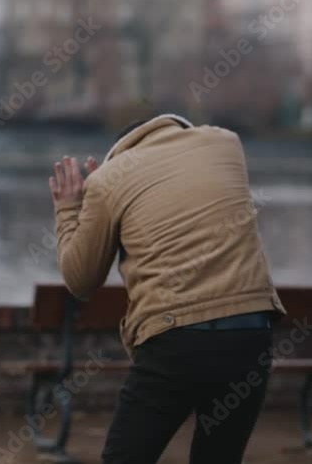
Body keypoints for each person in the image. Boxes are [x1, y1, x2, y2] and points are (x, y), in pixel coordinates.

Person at [48, 114, 286, 464]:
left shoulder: (108, 180)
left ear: (119, 151)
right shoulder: (227, 144)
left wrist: (70, 209)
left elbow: (81, 281)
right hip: (250, 333)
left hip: (176, 340)